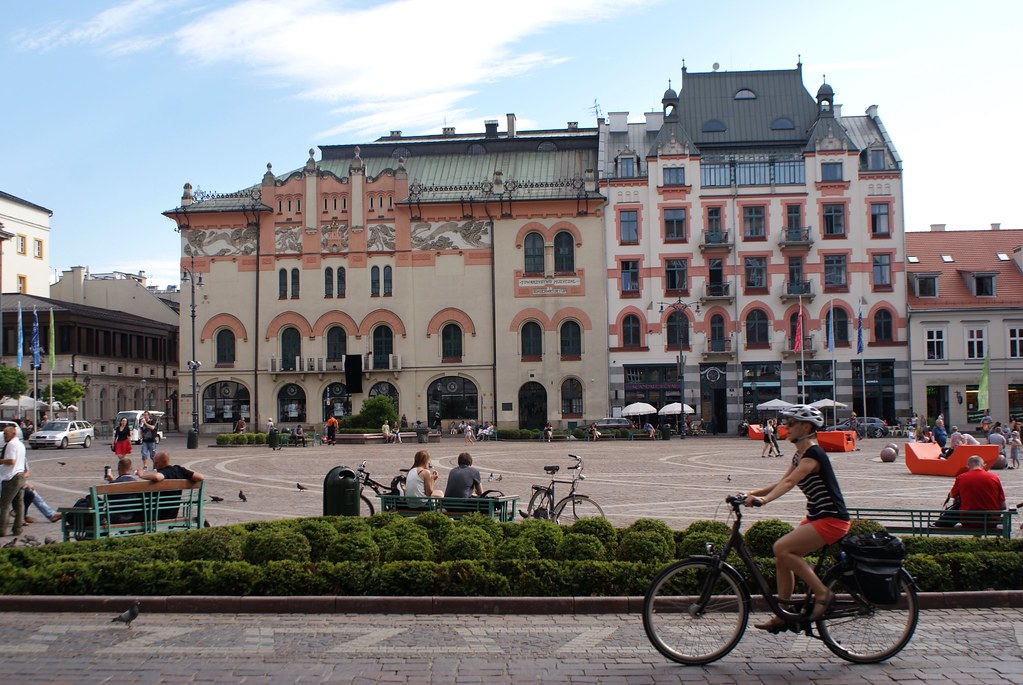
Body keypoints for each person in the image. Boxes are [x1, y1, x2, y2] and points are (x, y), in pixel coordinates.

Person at [743, 404, 849, 632]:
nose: (786, 427)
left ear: (806, 427)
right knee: (782, 557)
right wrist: (751, 494)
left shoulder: (813, 454)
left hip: (832, 519)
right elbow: (781, 482)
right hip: (816, 517)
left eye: (791, 424)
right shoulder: (798, 455)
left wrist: (765, 501)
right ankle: (783, 615)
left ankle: (822, 593)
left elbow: (791, 483)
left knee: (781, 548)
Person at [136, 451, 204, 519]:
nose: (154, 465)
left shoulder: (165, 472)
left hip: (158, 514)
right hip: (173, 512)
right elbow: (200, 477)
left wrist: (142, 476)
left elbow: (157, 477)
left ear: (165, 462)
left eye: (156, 463)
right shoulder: (179, 470)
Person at [949, 455, 1007, 529]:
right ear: (984, 465)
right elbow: (1003, 505)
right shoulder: (994, 477)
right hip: (990, 521)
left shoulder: (961, 478)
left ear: (968, 466)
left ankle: (976, 539)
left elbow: (952, 495)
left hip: (968, 521)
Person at [0, 425, 28, 537]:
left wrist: (0, 461)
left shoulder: (11, 444)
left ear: (13, 434)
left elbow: (11, 461)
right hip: (20, 475)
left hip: (11, 477)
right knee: (19, 504)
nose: (4, 436)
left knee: (4, 505)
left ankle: (1, 529)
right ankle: (17, 529)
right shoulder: (20, 444)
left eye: (6, 434)